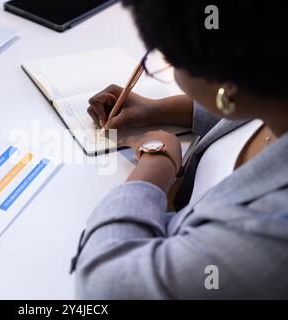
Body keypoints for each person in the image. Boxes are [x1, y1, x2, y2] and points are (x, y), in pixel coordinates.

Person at [72, 0, 288, 299]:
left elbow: (106, 285)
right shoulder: (272, 78)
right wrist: (159, 109)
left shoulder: (271, 230)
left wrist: (157, 163)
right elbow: (258, 98)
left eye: (168, 59)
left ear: (228, 82)